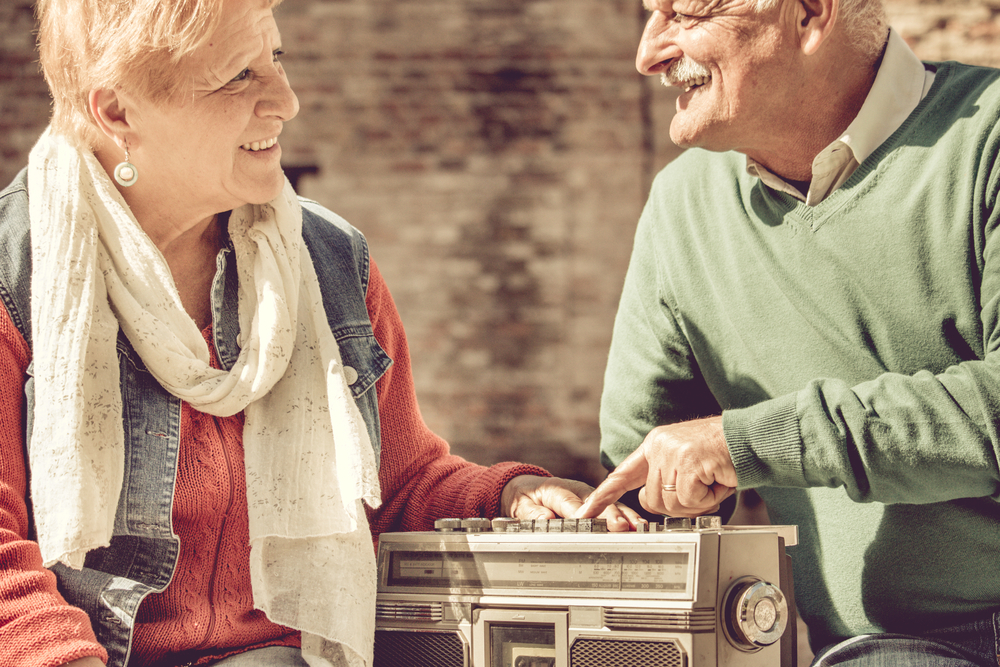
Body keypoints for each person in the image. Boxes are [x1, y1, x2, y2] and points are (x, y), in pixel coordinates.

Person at [0, 0, 640, 665]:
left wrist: (509, 497)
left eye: (273, 60)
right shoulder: (13, 273)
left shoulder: (332, 261)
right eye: (237, 77)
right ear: (119, 113)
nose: (285, 100)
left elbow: (397, 485)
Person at [576, 0, 1000, 665]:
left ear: (808, 14)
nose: (648, 52)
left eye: (683, 15)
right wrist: (628, 512)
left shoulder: (988, 139)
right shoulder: (681, 208)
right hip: (880, 648)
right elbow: (646, 471)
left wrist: (748, 442)